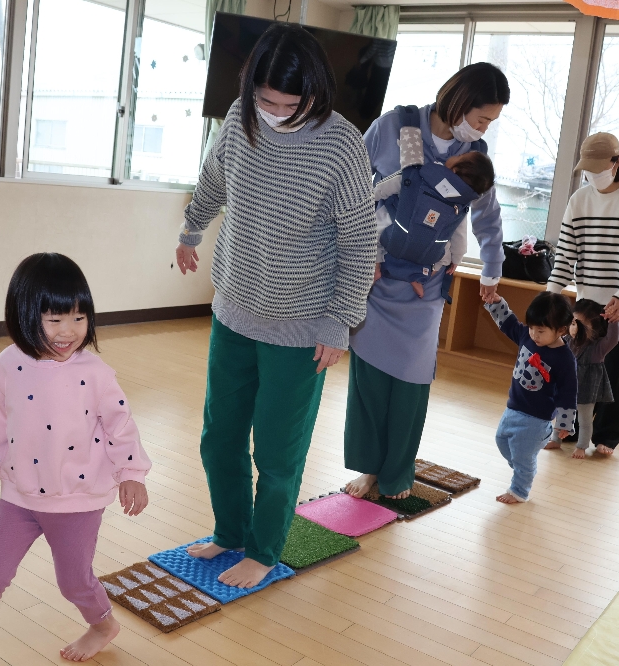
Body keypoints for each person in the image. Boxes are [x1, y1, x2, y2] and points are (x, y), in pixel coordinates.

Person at [174, 24, 376, 588]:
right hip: (235, 309)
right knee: (220, 437)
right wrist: (191, 231)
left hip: (303, 325)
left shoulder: (341, 143)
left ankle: (263, 551)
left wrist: (339, 322)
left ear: (315, 93)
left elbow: (360, 238)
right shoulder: (241, 120)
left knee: (278, 454)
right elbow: (214, 180)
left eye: (292, 104)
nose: (277, 112)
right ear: (251, 87)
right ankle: (230, 532)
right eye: (267, 100)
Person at [0, 253, 152, 666]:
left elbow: (120, 425)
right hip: (19, 495)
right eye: (54, 320)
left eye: (78, 318)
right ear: (23, 314)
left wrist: (132, 473)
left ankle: (103, 624)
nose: (68, 331)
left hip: (77, 498)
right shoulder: (7, 365)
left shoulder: (95, 373)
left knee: (74, 582)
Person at [344, 63, 509, 501]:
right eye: (481, 117)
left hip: (426, 287)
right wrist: (356, 255)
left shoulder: (474, 155)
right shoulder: (394, 128)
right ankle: (370, 469)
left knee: (412, 384)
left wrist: (492, 271)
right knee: (370, 378)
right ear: (458, 101)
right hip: (375, 278)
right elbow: (352, 189)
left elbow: (488, 220)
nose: (483, 127)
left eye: (490, 121)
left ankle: (397, 473)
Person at [547, 132, 619, 456]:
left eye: (599, 168)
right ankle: (572, 427)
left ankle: (607, 435)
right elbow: (566, 251)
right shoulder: (579, 200)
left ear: (616, 163)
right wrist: (550, 295)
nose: (593, 175)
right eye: (588, 170)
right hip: (589, 298)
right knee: (578, 366)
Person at [373, 126, 495, 298]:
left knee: (373, 229)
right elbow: (458, 233)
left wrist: (374, 195)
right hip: (428, 252)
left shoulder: (426, 174)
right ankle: (420, 277)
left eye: (459, 157)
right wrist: (456, 258)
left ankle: (376, 266)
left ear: (454, 170)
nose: (455, 156)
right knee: (442, 257)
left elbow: (396, 183)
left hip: (396, 234)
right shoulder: (460, 203)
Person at [484, 291, 577, 504]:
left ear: (561, 330)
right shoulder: (527, 335)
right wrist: (498, 302)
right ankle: (523, 467)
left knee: (523, 457)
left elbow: (568, 393)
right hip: (513, 407)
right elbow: (508, 323)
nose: (534, 334)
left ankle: (520, 490)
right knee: (502, 442)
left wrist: (564, 424)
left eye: (541, 330)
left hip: (537, 419)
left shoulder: (564, 359)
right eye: (532, 327)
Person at [544, 299, 619, 459]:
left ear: (595, 328)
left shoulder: (597, 348)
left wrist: (614, 320)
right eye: (572, 323)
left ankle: (582, 446)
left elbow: (613, 339)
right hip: (566, 390)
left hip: (586, 391)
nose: (574, 328)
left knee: (585, 421)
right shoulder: (566, 342)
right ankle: (556, 440)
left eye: (581, 325)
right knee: (561, 415)